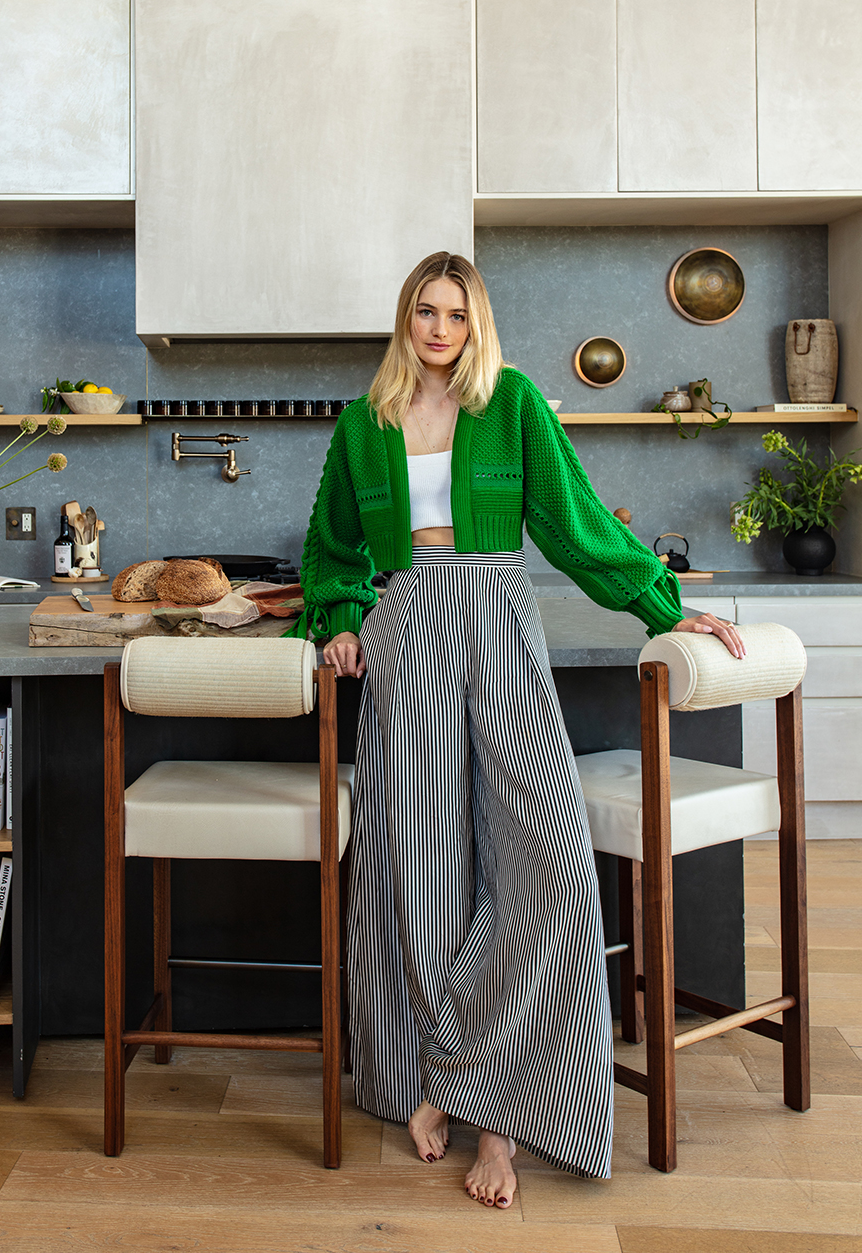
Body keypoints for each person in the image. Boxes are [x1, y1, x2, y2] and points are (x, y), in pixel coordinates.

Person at [294, 252, 743, 1210]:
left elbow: (576, 522)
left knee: (540, 858)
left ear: (477, 321)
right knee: (415, 863)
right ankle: (431, 1076)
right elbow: (329, 544)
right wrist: (335, 617)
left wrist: (664, 608)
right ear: (404, 317)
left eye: (457, 312)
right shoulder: (366, 419)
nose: (440, 328)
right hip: (404, 629)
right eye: (425, 310)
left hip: (498, 617)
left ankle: (499, 1114)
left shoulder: (515, 403)